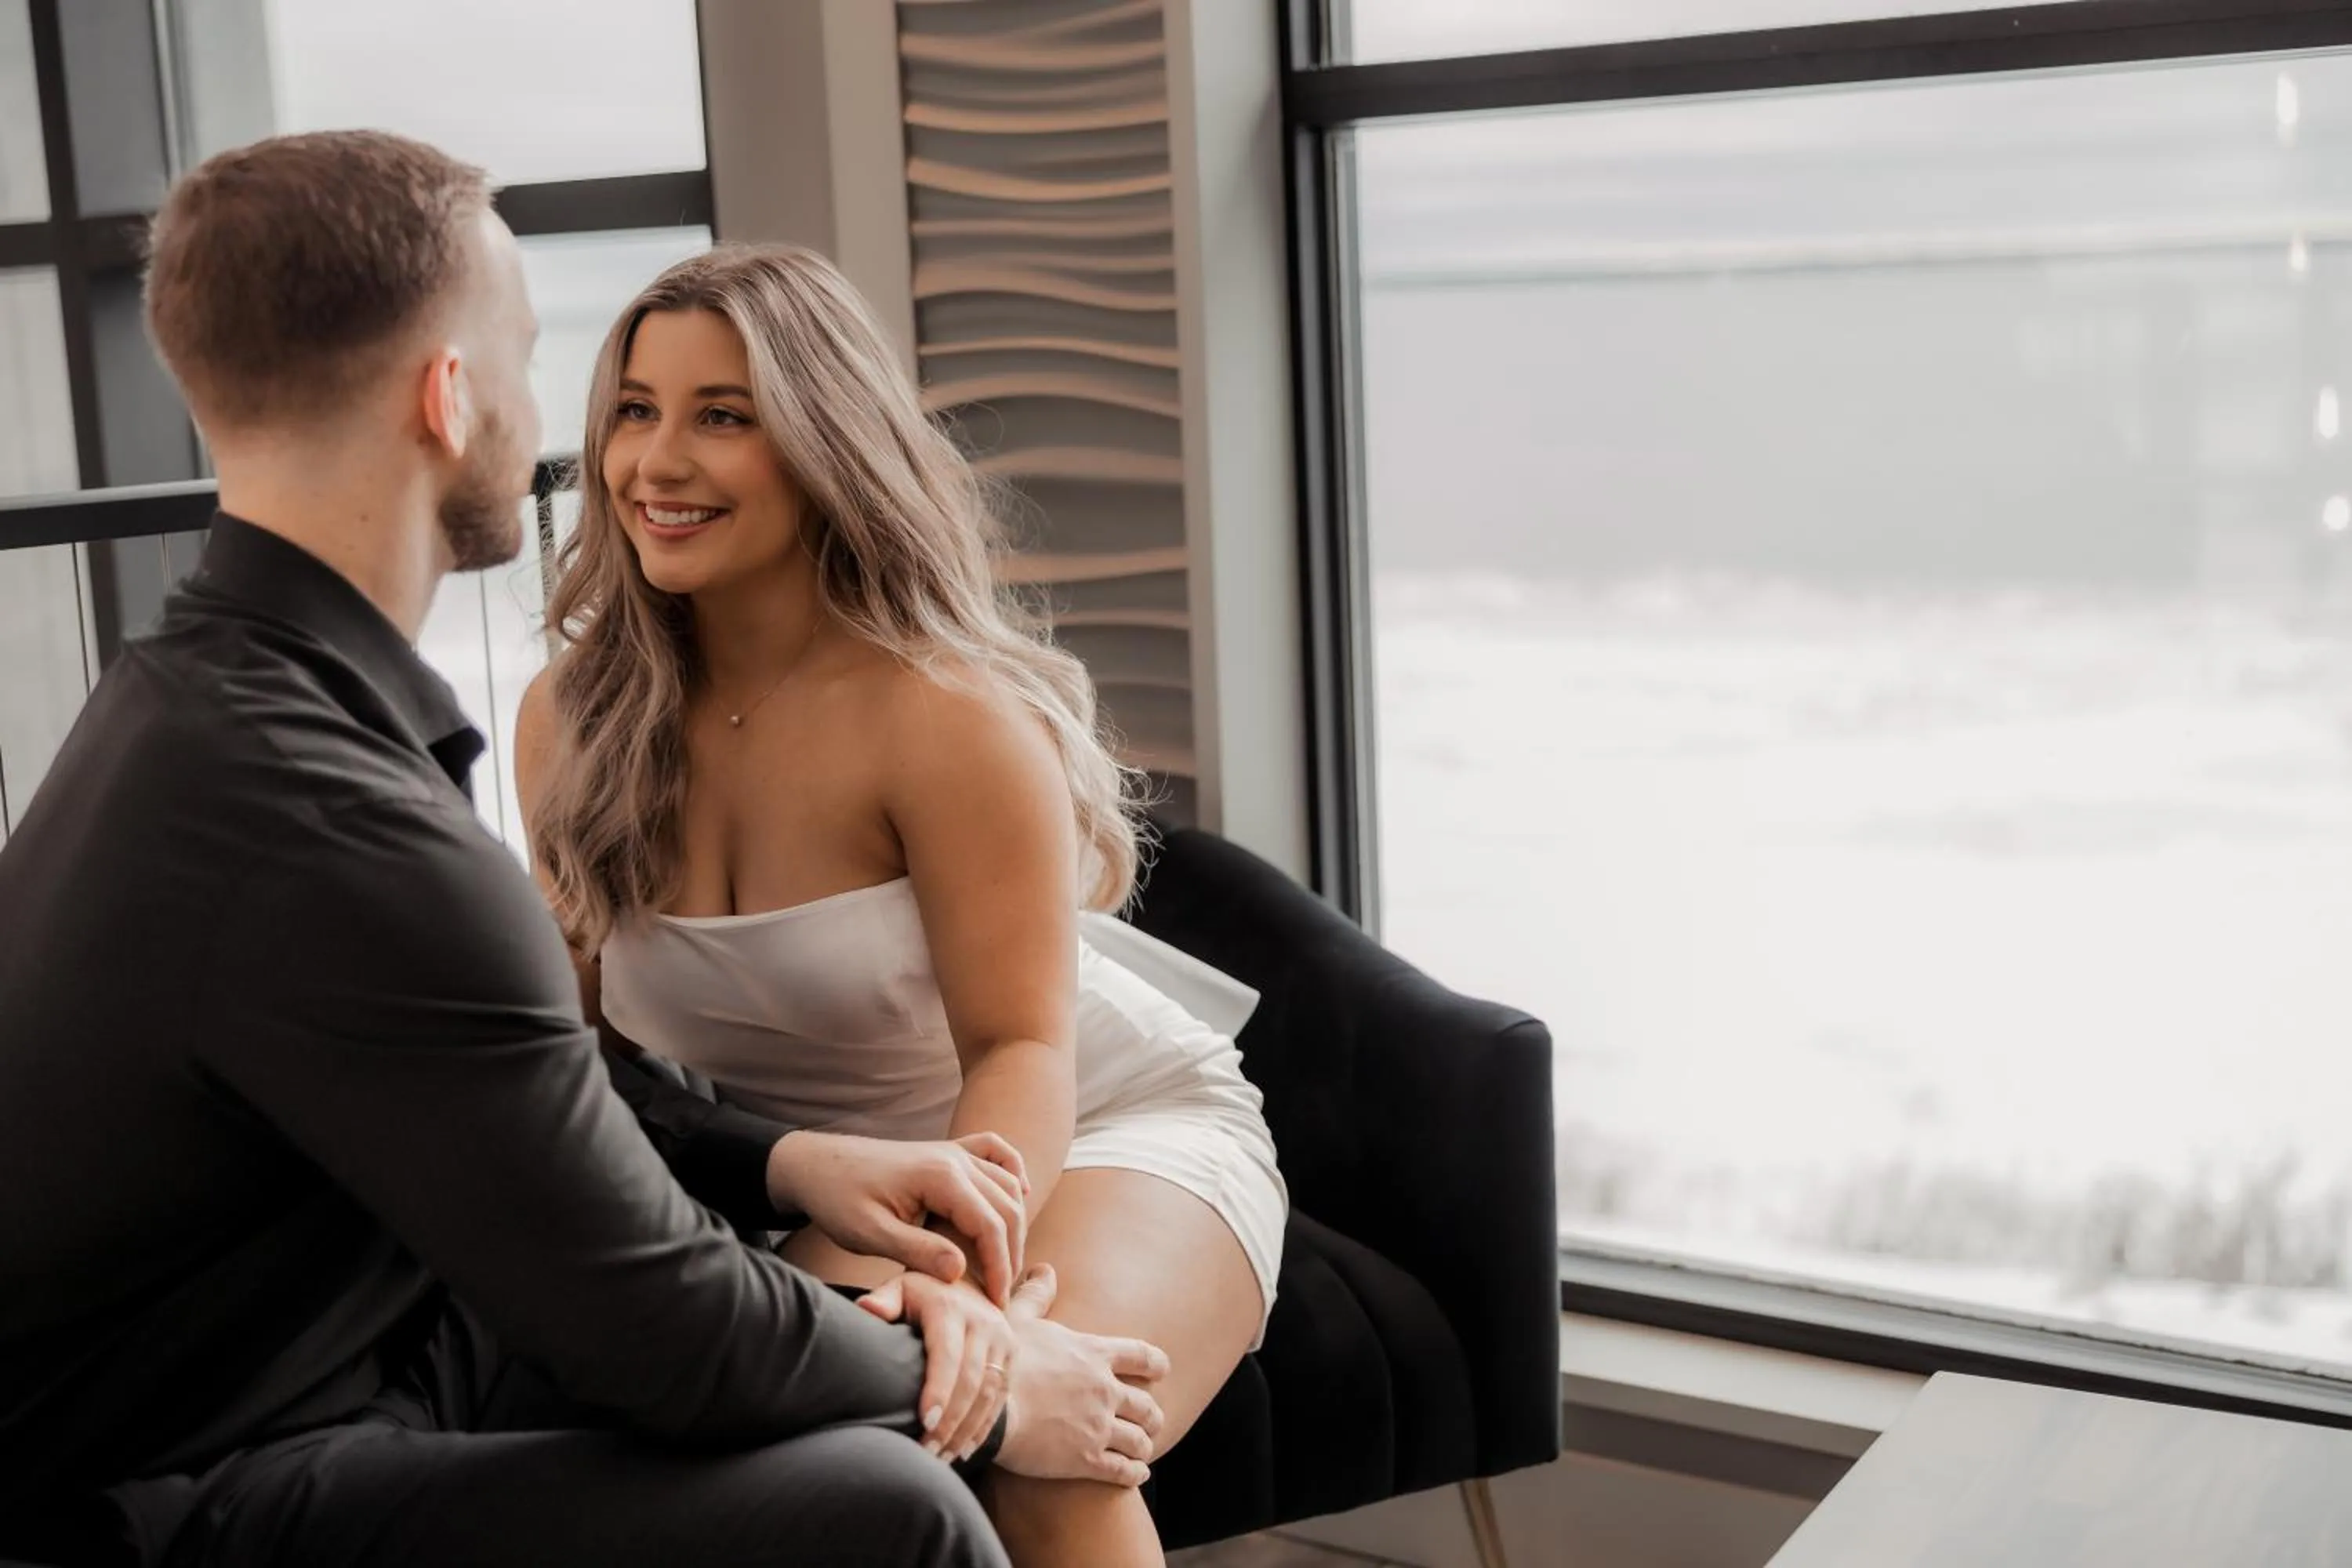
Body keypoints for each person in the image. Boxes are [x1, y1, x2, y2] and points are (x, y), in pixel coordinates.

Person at [0, 131, 1167, 1568]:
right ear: (449, 396)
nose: (576, 425)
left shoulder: (178, 707)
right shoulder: (338, 818)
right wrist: (983, 1389)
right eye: (536, 358)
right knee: (901, 1510)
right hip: (186, 1490)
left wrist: (790, 1162)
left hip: (298, 1359)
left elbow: (502, 1071)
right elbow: (660, 1322)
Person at [516, 244, 1287, 1568]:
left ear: (824, 443)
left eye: (723, 416)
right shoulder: (572, 721)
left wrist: (971, 1292)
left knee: (1033, 1438)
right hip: (830, 1178)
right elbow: (577, 1064)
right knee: (807, 1461)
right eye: (634, 412)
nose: (656, 465)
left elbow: (1021, 1051)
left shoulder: (945, 716)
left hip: (1079, 1132)